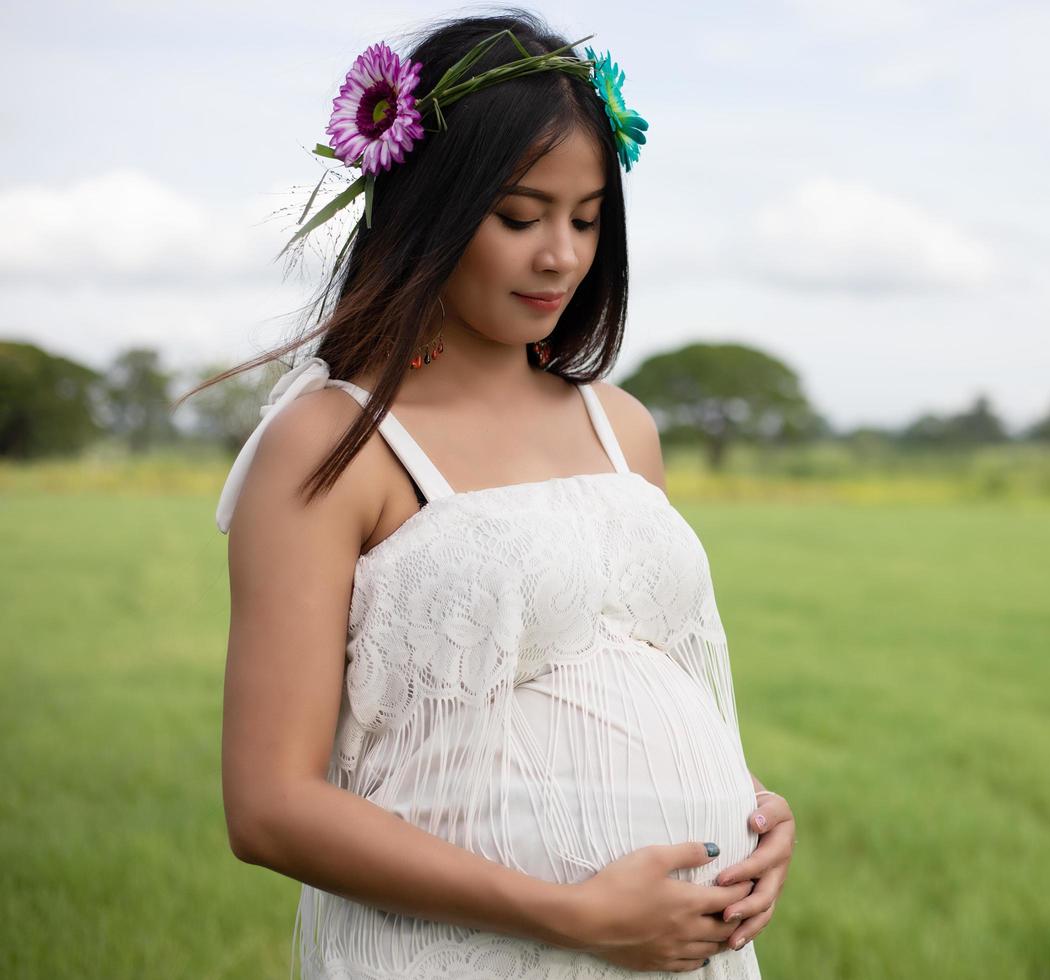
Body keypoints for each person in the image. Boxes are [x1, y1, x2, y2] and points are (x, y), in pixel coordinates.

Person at [197, 9, 796, 977]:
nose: (560, 253)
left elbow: (633, 677)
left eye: (588, 217)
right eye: (520, 216)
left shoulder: (621, 424)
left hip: (678, 950)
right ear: (428, 207)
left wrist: (753, 806)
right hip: (470, 951)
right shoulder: (333, 444)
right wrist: (573, 913)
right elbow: (269, 804)